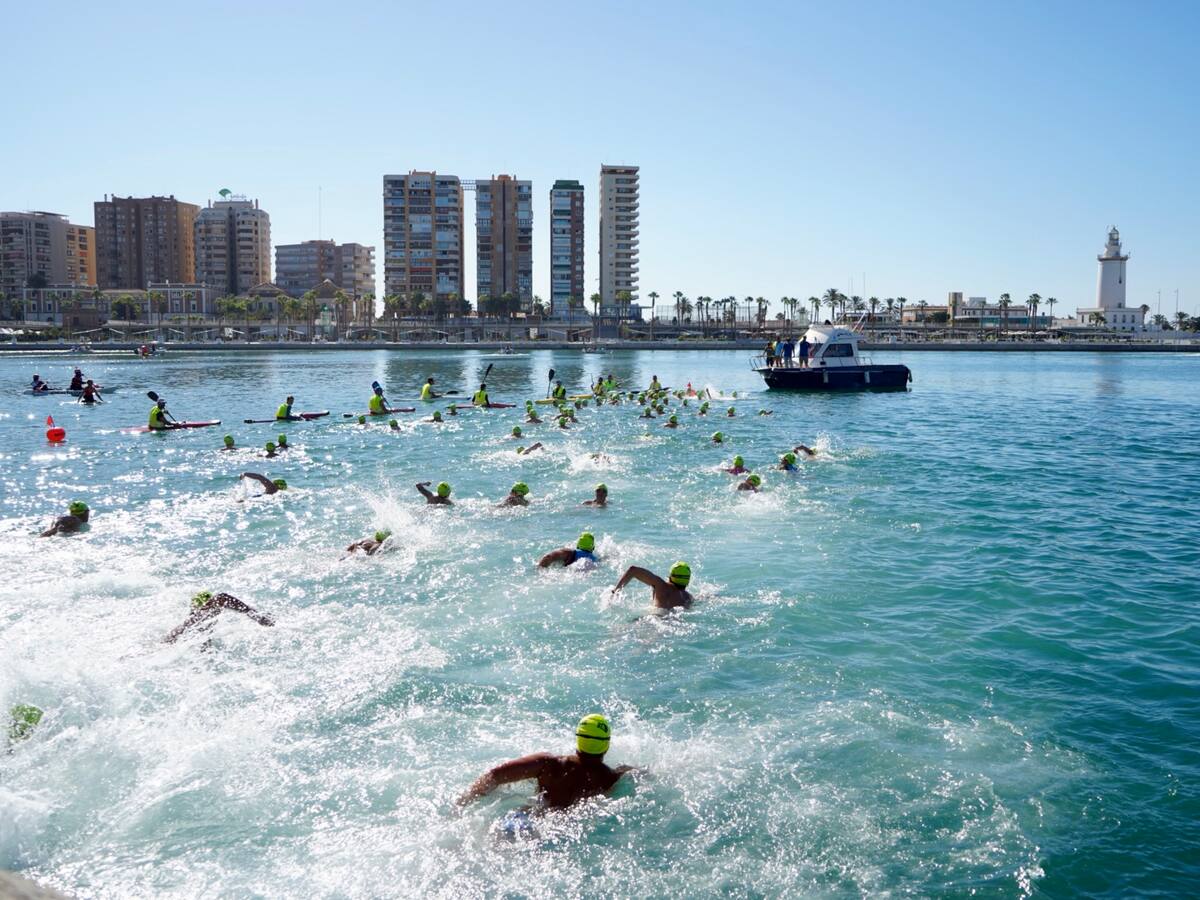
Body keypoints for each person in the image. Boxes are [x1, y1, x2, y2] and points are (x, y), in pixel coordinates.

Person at [457, 713, 637, 811]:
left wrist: (464, 801)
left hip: (528, 821)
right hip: (562, 831)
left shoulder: (549, 764)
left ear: (578, 739)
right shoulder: (612, 778)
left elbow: (495, 775)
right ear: (606, 745)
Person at [164, 591, 274, 643]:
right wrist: (256, 616)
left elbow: (222, 598)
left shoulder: (205, 619)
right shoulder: (195, 619)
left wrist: (256, 616)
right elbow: (221, 597)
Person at [611, 561, 694, 611]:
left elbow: (633, 570)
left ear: (671, 576)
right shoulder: (688, 597)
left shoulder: (661, 586)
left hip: (654, 620)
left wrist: (615, 592)